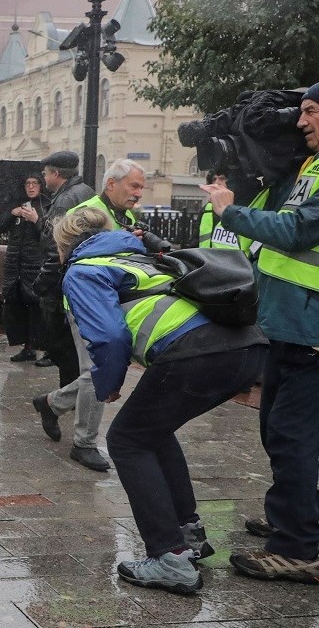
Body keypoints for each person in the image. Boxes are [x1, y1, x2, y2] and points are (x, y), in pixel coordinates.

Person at [56, 207, 267, 593]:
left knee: (127, 440)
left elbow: (108, 336)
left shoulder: (82, 270)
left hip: (197, 353)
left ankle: (170, 558)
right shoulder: (137, 257)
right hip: (246, 347)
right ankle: (188, 534)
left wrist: (108, 384)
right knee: (151, 431)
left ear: (64, 246)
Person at [201, 81, 319, 582]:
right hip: (292, 327)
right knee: (280, 432)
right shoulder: (308, 168)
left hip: (311, 331)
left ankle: (298, 548)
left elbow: (295, 232)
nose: (301, 121)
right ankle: (293, 521)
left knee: (293, 439)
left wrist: (229, 210)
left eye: (311, 111)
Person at [29, 151, 109, 472]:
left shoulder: (65, 200)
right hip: (83, 289)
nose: (44, 179)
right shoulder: (87, 192)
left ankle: (60, 412)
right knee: (89, 368)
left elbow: (57, 247)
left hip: (70, 291)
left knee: (75, 363)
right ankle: (59, 410)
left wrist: (42, 285)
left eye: (46, 173)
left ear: (56, 174)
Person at [0, 174, 49, 363]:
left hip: (35, 265)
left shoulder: (46, 205)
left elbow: (49, 235)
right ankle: (27, 347)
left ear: (41, 186)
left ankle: (45, 349)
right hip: (15, 266)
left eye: (35, 183)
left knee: (38, 308)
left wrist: (36, 220)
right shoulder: (17, 205)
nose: (31, 187)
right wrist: (12, 214)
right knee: (18, 306)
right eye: (27, 183)